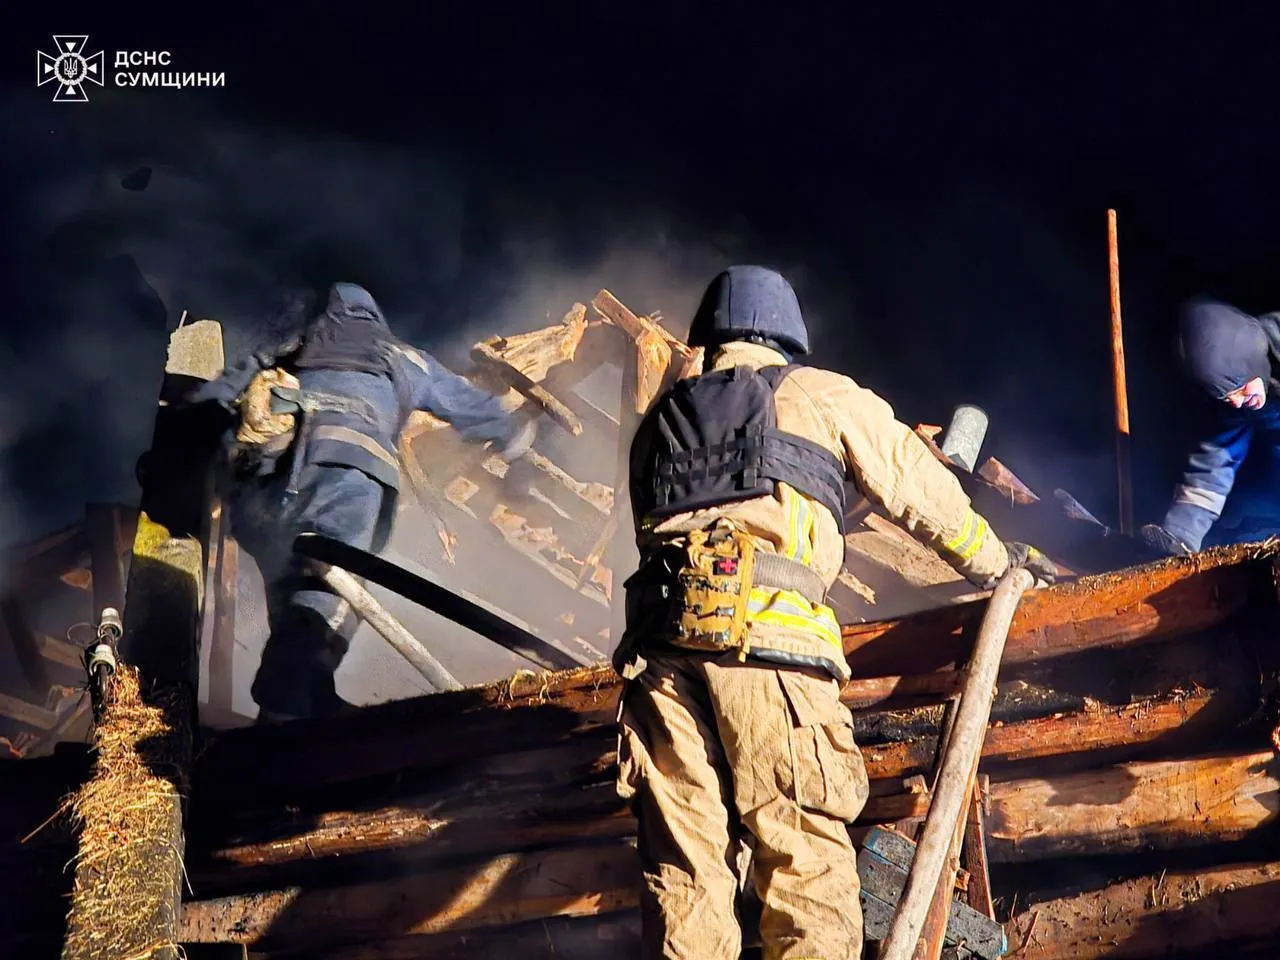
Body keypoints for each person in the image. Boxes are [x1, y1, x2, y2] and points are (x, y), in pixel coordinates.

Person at [614, 265, 1056, 960]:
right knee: (804, 863)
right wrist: (1001, 567)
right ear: (788, 334)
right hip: (771, 652)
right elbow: (922, 492)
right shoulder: (821, 395)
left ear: (708, 337)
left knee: (687, 875)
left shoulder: (659, 422)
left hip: (660, 664)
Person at [188, 283, 537, 721]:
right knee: (329, 592)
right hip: (345, 480)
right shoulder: (396, 356)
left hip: (267, 491)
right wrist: (517, 443)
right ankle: (284, 716)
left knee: (292, 586)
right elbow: (469, 404)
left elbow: (217, 397)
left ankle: (308, 695)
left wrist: (186, 440)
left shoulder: (288, 345)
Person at [1142, 298, 1280, 556]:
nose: (1238, 403)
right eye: (1227, 397)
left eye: (1239, 390)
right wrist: (1181, 534)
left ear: (1250, 364)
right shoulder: (1236, 404)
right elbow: (1214, 464)